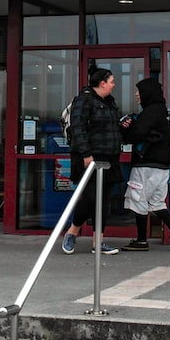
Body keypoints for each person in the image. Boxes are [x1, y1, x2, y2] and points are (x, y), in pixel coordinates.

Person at [61, 67, 123, 255]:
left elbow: (110, 129)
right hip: (90, 158)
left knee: (103, 201)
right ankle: (72, 231)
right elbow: (77, 128)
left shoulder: (110, 102)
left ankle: (99, 242)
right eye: (111, 81)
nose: (113, 85)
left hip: (109, 158)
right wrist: (87, 154)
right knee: (90, 197)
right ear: (102, 83)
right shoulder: (84, 100)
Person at [120, 77, 170, 251]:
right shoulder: (160, 112)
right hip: (162, 167)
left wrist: (126, 127)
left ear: (147, 93)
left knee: (137, 198)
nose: (136, 95)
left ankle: (141, 240)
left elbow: (137, 134)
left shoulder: (150, 112)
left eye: (139, 91)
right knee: (156, 202)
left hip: (146, 165)